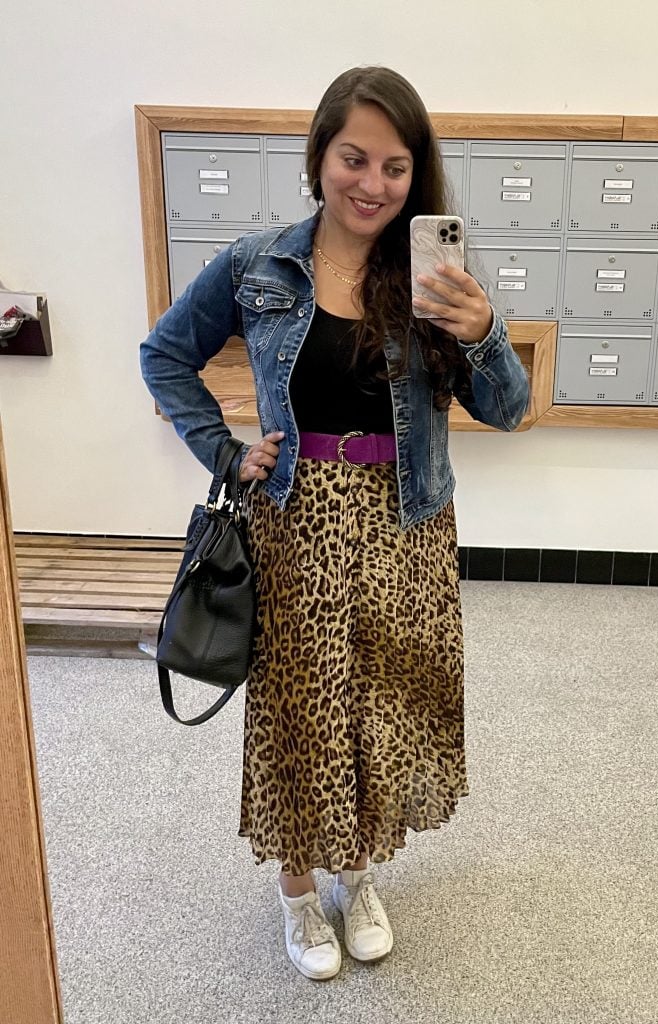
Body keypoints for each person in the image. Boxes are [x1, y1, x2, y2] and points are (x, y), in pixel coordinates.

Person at [140, 65, 529, 981]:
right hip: (296, 519)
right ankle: (297, 891)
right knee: (298, 706)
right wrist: (227, 453)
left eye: (395, 167)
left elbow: (508, 410)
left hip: (406, 522)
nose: (372, 184)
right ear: (319, 156)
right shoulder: (255, 264)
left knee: (381, 702)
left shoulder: (435, 276)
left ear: (415, 176)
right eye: (354, 158)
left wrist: (481, 332)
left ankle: (356, 871)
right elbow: (164, 356)